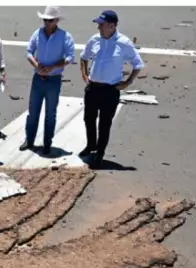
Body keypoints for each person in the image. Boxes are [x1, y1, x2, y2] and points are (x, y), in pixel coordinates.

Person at [78, 10, 145, 169]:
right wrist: (84, 73)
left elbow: (138, 64)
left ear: (112, 25)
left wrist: (127, 82)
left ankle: (100, 153)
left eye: (101, 24)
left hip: (110, 90)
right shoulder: (94, 40)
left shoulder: (124, 43)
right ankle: (91, 146)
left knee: (105, 123)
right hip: (93, 88)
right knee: (89, 119)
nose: (98, 28)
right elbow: (83, 57)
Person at [20, 6, 75, 155]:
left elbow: (70, 56)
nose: (46, 22)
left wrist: (53, 67)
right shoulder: (37, 34)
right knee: (33, 112)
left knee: (50, 113)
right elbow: (29, 52)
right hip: (38, 78)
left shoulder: (65, 36)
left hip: (54, 79)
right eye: (45, 20)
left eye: (50, 20)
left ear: (56, 20)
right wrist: (37, 65)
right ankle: (29, 140)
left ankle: (47, 143)